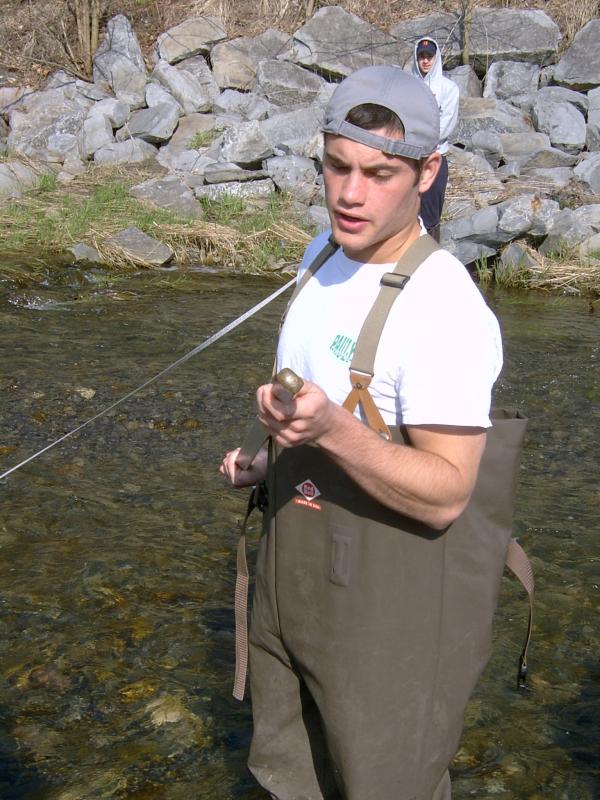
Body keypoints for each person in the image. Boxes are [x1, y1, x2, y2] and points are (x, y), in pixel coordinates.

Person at [220, 65, 502, 800]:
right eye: (337, 167)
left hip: (386, 621)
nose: (350, 195)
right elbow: (306, 402)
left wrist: (335, 430)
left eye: (379, 174)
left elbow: (447, 494)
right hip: (291, 585)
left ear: (427, 172)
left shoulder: (445, 309)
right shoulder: (321, 254)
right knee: (287, 777)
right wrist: (263, 460)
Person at [411, 36, 460, 240]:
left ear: (436, 58)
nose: (425, 61)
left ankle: (431, 258)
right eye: (421, 56)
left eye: (429, 56)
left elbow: (446, 124)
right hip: (409, 157)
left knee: (430, 216)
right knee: (406, 212)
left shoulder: (449, 89)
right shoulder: (406, 85)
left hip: (435, 157)